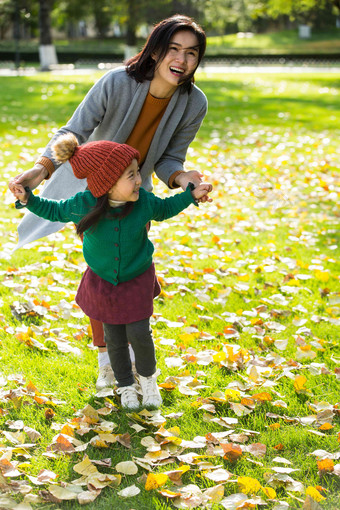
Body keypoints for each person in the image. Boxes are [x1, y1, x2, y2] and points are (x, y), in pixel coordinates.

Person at [8, 14, 209, 391]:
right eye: (173, 50)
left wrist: (183, 179)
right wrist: (41, 169)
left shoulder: (193, 102)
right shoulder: (117, 82)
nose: (181, 60)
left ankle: (129, 359)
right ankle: (107, 363)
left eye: (192, 53)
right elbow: (74, 129)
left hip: (136, 193)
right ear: (155, 52)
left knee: (132, 272)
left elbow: (170, 159)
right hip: (96, 194)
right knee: (103, 278)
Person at [11, 134, 212, 410]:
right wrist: (28, 199)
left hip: (137, 278)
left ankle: (148, 380)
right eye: (131, 175)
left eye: (137, 172)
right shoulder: (83, 204)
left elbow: (166, 208)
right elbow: (54, 210)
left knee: (140, 333)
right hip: (103, 281)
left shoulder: (143, 202)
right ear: (107, 184)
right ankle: (126, 385)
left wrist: (190, 195)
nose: (139, 180)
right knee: (114, 338)